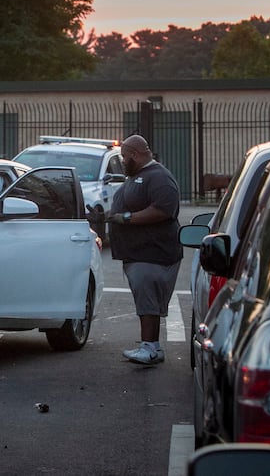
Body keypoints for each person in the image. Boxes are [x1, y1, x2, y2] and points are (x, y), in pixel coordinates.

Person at [106, 134, 183, 365]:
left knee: (147, 296)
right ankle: (151, 346)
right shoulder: (139, 175)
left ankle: (150, 348)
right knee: (145, 299)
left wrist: (127, 218)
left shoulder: (158, 177)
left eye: (123, 157)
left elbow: (164, 209)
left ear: (135, 155)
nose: (122, 162)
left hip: (153, 253)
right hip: (140, 253)